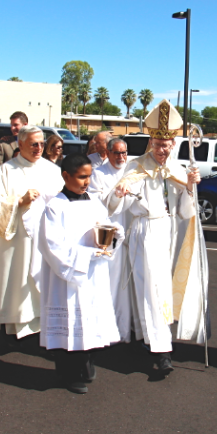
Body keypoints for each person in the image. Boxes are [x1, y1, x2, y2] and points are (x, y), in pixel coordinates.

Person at [106, 100, 204, 375]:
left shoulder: (177, 168)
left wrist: (189, 188)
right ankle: (162, 351)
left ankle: (146, 338)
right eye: (159, 145)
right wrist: (120, 190)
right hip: (143, 232)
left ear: (174, 143)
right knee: (152, 290)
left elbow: (186, 211)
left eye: (168, 145)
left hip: (168, 233)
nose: (164, 150)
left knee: (155, 289)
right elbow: (116, 204)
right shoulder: (135, 166)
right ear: (151, 141)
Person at [38, 153, 125, 394]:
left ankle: (86, 363)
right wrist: (86, 254)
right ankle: (67, 374)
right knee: (70, 322)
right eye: (81, 177)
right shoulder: (55, 206)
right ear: (66, 176)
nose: (86, 182)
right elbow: (51, 245)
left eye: (89, 177)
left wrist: (113, 233)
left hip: (92, 274)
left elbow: (104, 225)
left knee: (88, 322)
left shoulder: (93, 202)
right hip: (67, 276)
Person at [0, 125, 63, 343]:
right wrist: (20, 201)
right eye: (33, 144)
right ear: (20, 144)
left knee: (42, 285)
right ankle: (13, 324)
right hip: (17, 241)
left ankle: (44, 329)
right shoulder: (6, 171)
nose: (39, 148)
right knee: (17, 282)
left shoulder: (53, 171)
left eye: (41, 144)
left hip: (44, 238)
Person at [88, 137, 133, 343]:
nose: (121, 157)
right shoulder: (98, 174)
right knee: (109, 282)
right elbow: (95, 203)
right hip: (110, 234)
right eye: (117, 153)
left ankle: (124, 328)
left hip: (131, 232)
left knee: (126, 284)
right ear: (108, 152)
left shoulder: (131, 172)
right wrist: (115, 195)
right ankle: (104, 329)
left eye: (124, 153)